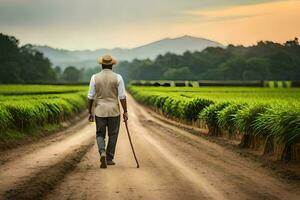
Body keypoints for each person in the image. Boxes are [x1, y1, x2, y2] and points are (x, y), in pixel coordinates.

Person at [87, 54, 128, 169]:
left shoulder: (94, 77)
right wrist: (125, 111)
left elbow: (90, 97)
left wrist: (90, 112)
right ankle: (109, 158)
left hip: (100, 110)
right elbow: (122, 97)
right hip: (114, 110)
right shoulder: (118, 77)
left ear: (101, 65)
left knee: (100, 134)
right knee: (113, 134)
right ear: (112, 65)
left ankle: (102, 152)